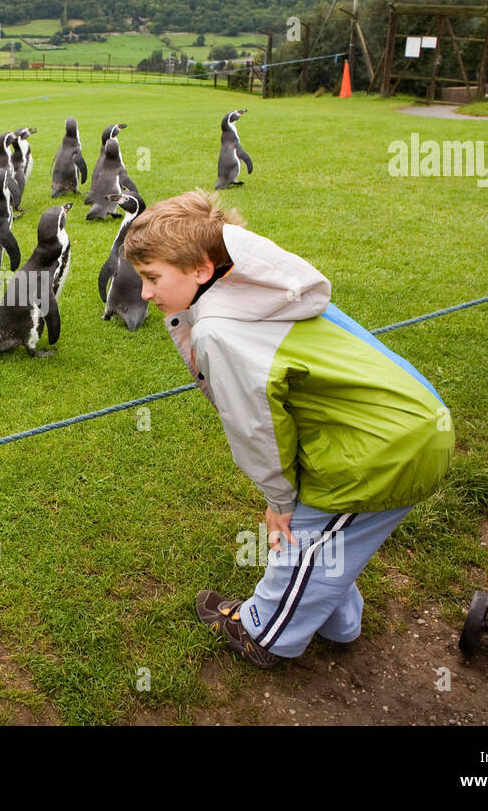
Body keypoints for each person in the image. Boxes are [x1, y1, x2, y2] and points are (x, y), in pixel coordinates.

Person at [123, 190, 454, 667]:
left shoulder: (220, 330)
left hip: (382, 448)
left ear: (200, 269)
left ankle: (264, 632)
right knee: (329, 539)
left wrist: (278, 502)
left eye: (152, 278)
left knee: (299, 540)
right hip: (407, 423)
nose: (146, 293)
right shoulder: (262, 284)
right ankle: (340, 627)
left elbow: (256, 426)